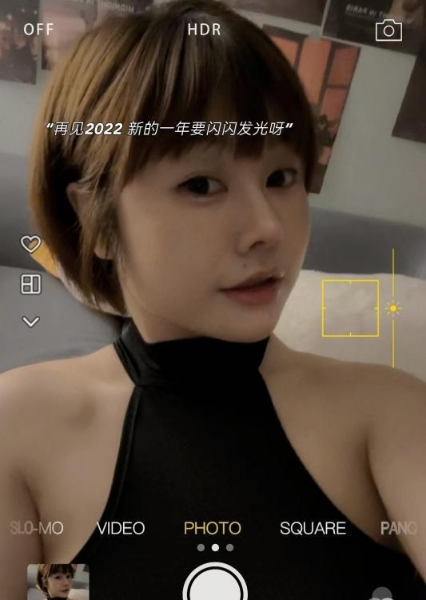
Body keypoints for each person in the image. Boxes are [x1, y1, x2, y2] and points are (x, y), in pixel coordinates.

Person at [0, 0, 425, 598]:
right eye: (201, 185)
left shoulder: (390, 414)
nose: (268, 228)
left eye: (282, 177)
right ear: (95, 219)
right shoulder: (19, 422)